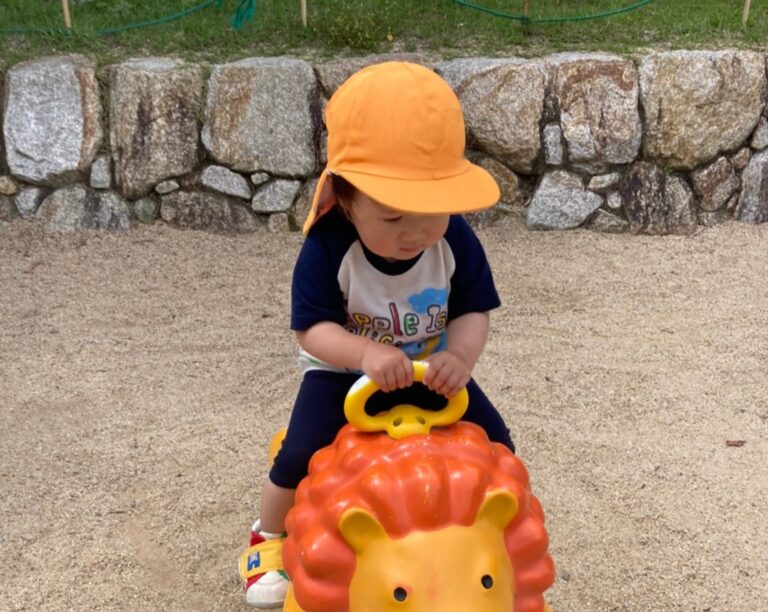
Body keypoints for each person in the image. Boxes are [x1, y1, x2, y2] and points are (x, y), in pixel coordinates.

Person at [244, 61, 515, 608]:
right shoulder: (328, 247)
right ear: (346, 198)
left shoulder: (454, 239)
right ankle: (265, 538)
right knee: (298, 454)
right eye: (392, 218)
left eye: (431, 213)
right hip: (345, 374)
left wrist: (460, 355)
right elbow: (311, 329)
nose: (415, 233)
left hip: (430, 369)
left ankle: (489, 536)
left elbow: (473, 309)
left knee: (498, 443)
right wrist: (365, 353)